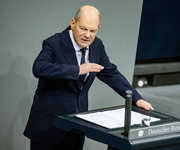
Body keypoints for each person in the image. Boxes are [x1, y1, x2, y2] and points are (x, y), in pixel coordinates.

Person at [24, 5, 154, 150]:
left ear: (98, 28)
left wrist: (137, 99)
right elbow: (39, 68)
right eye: (83, 28)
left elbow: (110, 73)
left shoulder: (97, 45)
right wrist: (78, 70)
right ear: (73, 23)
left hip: (76, 127)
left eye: (93, 31)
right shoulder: (54, 43)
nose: (87, 35)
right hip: (48, 127)